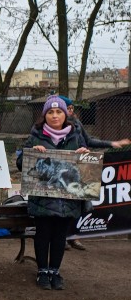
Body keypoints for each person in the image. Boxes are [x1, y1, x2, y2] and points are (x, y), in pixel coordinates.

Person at [16, 95, 88, 291]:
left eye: (58, 112)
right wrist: (31, 153)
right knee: (43, 234)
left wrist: (85, 155)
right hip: (43, 198)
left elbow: (86, 170)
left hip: (67, 200)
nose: (54, 116)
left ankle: (55, 271)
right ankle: (42, 271)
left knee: (59, 236)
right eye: (50, 112)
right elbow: (21, 164)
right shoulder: (36, 136)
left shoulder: (76, 137)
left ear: (65, 115)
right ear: (44, 115)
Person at [58, 95, 130, 251]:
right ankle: (61, 237)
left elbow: (89, 140)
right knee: (63, 205)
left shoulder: (77, 124)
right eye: (68, 108)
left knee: (82, 204)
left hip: (83, 166)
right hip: (65, 169)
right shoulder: (55, 127)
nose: (71, 111)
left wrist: (112, 143)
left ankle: (73, 237)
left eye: (71, 108)